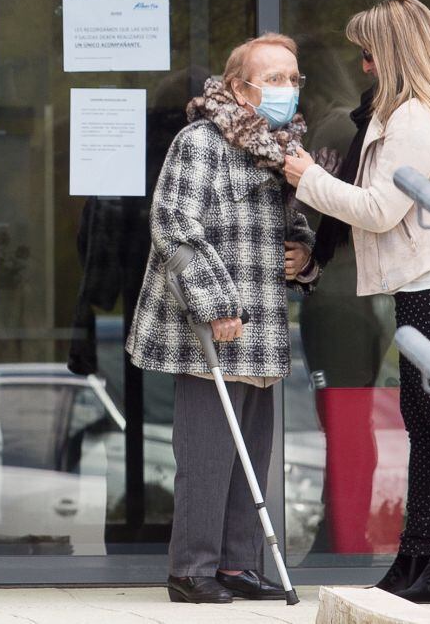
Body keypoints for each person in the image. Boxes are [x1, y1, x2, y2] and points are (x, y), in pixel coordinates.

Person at [283, 0, 430, 603]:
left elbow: (381, 211)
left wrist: (305, 174)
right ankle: (423, 560)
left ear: (394, 54)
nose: (362, 67)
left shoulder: (417, 117)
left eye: (368, 54)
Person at [126, 33, 319, 604]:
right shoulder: (200, 143)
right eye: (274, 78)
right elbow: (174, 226)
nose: (287, 89)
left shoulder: (279, 149)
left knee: (251, 455)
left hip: (263, 325)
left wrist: (302, 255)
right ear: (238, 87)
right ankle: (192, 569)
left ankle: (238, 564)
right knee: (208, 456)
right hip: (212, 325)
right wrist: (215, 305)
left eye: (293, 78)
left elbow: (294, 226)